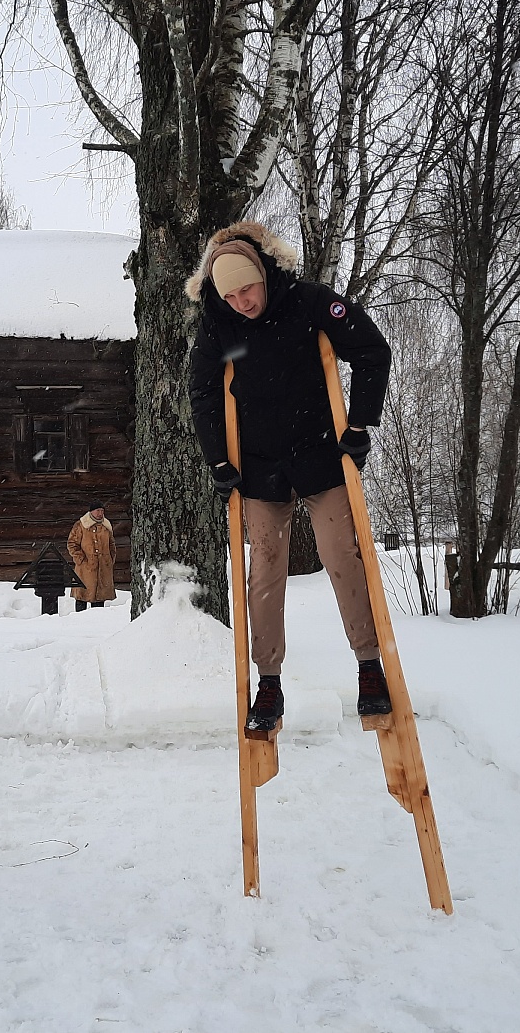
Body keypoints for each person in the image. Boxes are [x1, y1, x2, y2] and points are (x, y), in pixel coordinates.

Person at [186, 221, 393, 731]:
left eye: (247, 288)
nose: (242, 301)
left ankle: (369, 665)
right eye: (230, 293)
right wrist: (218, 459)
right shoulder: (218, 325)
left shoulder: (309, 301)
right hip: (258, 465)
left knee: (342, 553)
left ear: (262, 273)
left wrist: (361, 422)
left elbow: (371, 351)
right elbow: (204, 392)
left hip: (321, 454)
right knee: (266, 570)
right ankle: (269, 681)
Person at [67, 502, 117, 611]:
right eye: (98, 511)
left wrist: (110, 559)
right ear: (91, 512)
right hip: (85, 569)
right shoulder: (81, 525)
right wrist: (80, 559)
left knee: (99, 598)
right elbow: (72, 543)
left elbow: (111, 544)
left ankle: (97, 622)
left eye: (102, 511)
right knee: (82, 595)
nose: (100, 513)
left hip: (103, 567)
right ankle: (80, 621)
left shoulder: (106, 526)